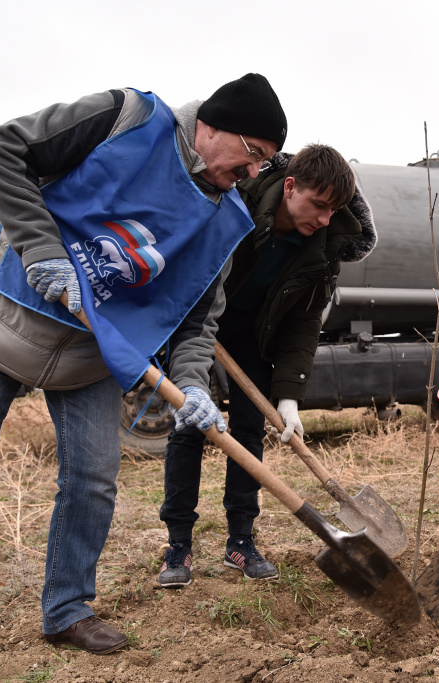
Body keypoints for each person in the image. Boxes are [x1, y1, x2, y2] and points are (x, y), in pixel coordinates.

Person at [0, 75, 288, 683]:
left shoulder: (224, 220)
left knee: (91, 481)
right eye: (253, 155)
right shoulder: (127, 119)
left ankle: (65, 609)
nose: (252, 174)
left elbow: (195, 320)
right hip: (5, 321)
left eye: (265, 165)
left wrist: (192, 384)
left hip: (92, 350)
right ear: (213, 126)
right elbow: (0, 149)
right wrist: (41, 249)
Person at [156, 143, 376, 587]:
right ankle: (178, 543)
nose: (326, 219)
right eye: (318, 205)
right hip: (200, 324)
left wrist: (290, 396)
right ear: (290, 186)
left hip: (255, 338)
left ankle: (240, 540)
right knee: (189, 426)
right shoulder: (239, 200)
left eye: (334, 210)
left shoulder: (322, 245)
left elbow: (304, 320)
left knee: (248, 431)